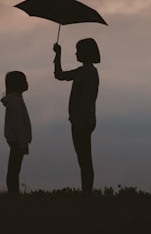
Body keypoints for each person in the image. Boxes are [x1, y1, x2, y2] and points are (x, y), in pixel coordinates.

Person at [53, 38, 100, 194]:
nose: (76, 53)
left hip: (83, 121)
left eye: (78, 50)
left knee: (85, 159)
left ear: (86, 53)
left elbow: (87, 99)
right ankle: (86, 191)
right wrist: (58, 55)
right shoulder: (82, 71)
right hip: (79, 120)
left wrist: (82, 121)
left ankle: (87, 192)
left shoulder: (89, 72)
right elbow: (59, 75)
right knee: (83, 159)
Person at [1, 70, 32, 194]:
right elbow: (18, 124)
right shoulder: (15, 101)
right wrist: (23, 143)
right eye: (24, 80)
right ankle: (13, 193)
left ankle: (13, 192)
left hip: (16, 141)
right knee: (14, 170)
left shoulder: (16, 100)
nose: (27, 83)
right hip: (17, 142)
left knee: (14, 169)